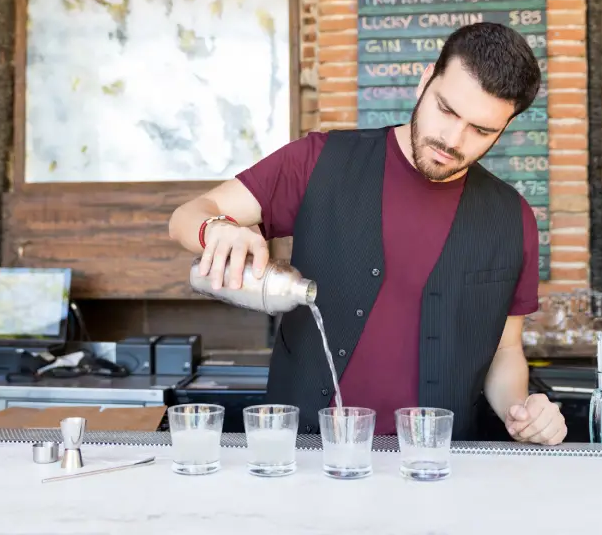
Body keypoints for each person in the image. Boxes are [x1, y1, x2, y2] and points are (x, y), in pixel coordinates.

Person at [169, 23, 567, 444]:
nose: (452, 139)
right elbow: (187, 215)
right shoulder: (319, 161)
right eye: (447, 110)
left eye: (482, 130)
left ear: (506, 128)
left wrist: (520, 411)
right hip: (303, 457)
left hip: (435, 464)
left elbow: (504, 351)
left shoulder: (511, 217)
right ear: (424, 80)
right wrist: (217, 229)